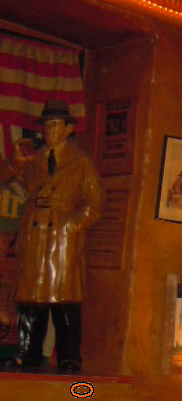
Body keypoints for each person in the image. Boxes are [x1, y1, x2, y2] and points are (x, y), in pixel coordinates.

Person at [0, 100, 104, 374]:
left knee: (64, 300)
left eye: (56, 124)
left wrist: (74, 224)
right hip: (34, 236)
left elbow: (96, 203)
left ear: (68, 129)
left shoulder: (81, 162)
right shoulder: (31, 160)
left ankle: (69, 356)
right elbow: (4, 177)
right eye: (47, 125)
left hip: (63, 237)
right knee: (30, 299)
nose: (50, 130)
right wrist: (15, 162)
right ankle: (27, 352)